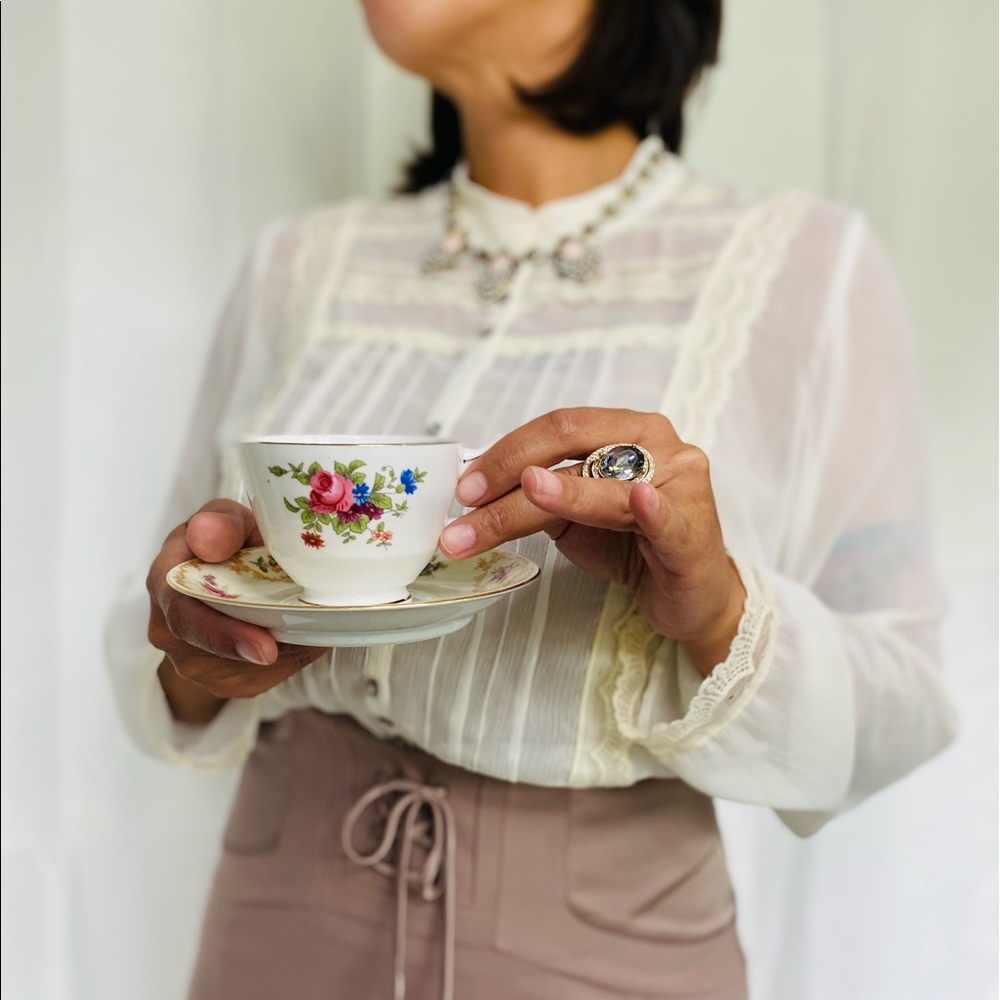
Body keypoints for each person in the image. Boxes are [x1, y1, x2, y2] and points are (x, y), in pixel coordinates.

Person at [105, 1, 958, 998]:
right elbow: (161, 618)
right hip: (272, 914)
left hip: (602, 947)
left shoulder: (806, 269)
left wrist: (721, 611)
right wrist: (203, 643)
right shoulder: (297, 264)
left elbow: (903, 706)